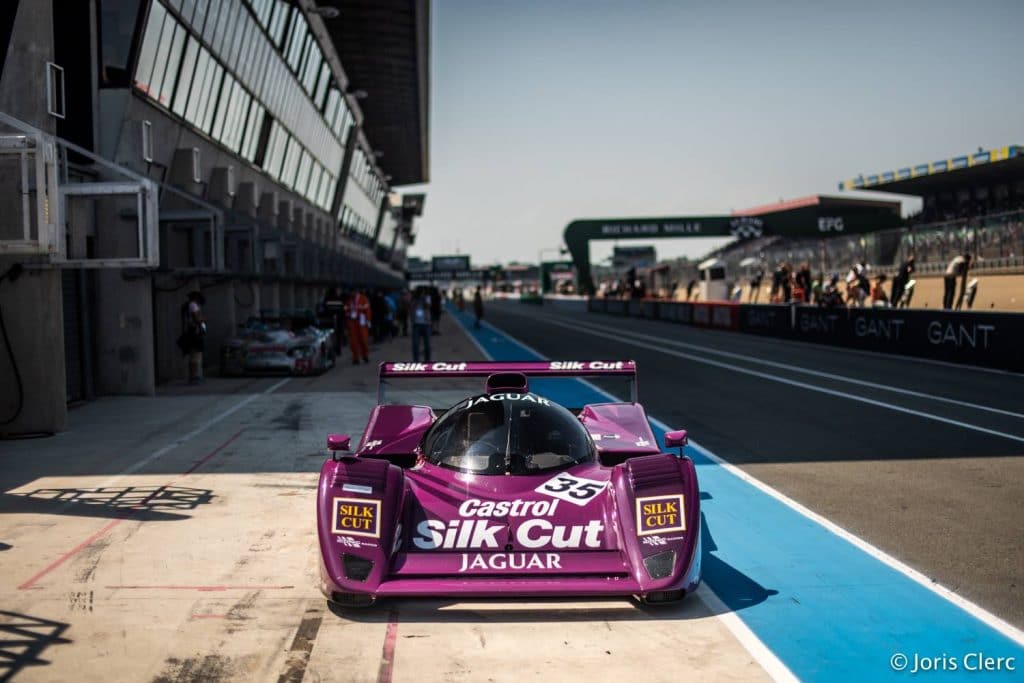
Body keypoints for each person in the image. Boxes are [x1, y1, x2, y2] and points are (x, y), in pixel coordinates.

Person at [178, 291, 206, 384]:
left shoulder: (187, 306)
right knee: (195, 356)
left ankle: (193, 376)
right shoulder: (193, 305)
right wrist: (203, 319)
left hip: (191, 332)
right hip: (194, 333)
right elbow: (197, 318)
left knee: (193, 355)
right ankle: (194, 376)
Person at [344, 289, 371, 364]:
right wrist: (348, 315)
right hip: (352, 322)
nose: (351, 294)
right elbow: (346, 310)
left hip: (361, 321)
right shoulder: (349, 301)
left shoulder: (363, 299)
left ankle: (365, 355)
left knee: (364, 340)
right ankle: (355, 358)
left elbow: (367, 310)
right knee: (354, 341)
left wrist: (368, 320)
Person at [410, 288, 432, 362]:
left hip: (426, 324)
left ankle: (427, 361)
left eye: (423, 293)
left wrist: (423, 299)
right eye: (420, 293)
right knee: (415, 345)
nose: (422, 294)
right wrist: (417, 300)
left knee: (427, 345)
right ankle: (416, 361)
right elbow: (411, 307)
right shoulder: (414, 299)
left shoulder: (427, 298)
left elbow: (428, 306)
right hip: (416, 324)